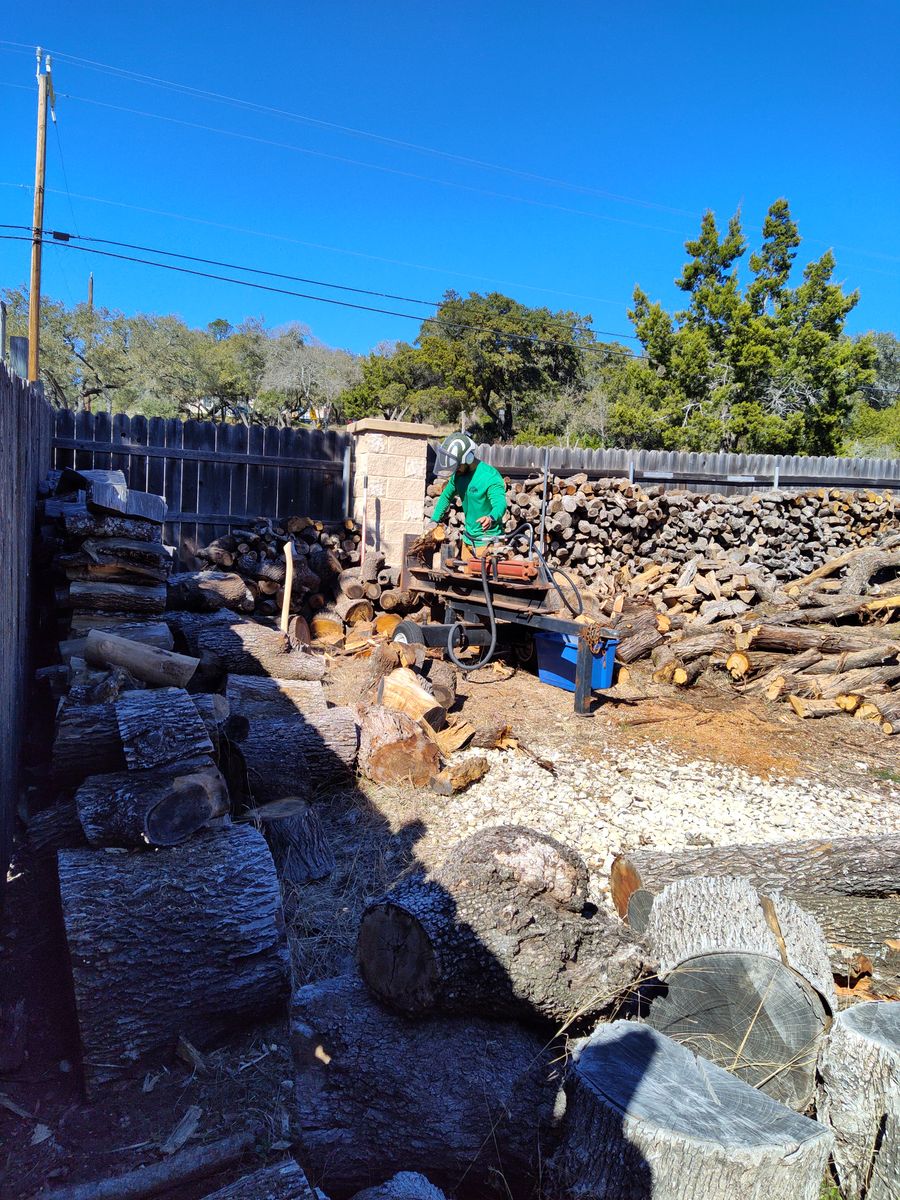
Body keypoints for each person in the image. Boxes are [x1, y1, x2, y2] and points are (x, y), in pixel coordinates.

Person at [429, 432, 507, 559]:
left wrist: (491, 517)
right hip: (468, 541)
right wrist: (434, 520)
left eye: (458, 465)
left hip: (488, 543)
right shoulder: (458, 475)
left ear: (468, 458)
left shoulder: (490, 476)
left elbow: (500, 504)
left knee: (484, 579)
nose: (456, 469)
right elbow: (446, 496)